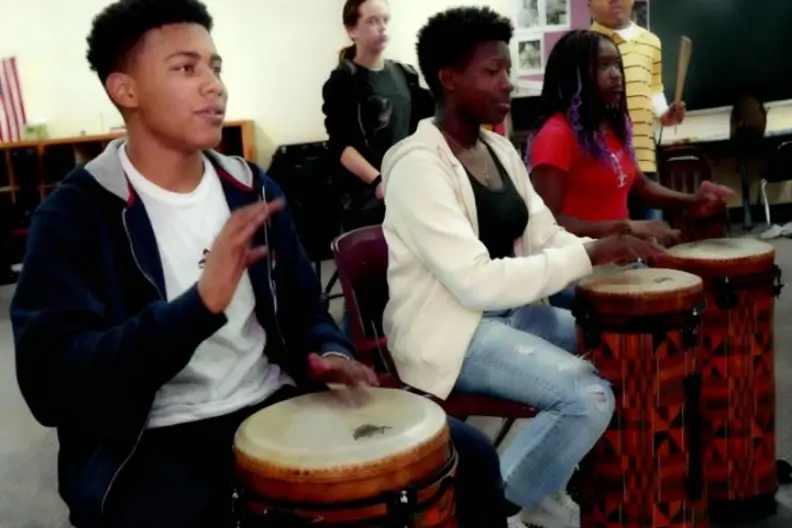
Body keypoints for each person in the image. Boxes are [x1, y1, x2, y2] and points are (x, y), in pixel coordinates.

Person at [9, 1, 509, 527]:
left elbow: (303, 309)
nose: (214, 86)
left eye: (215, 67)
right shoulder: (75, 215)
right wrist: (197, 309)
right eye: (186, 68)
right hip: (152, 436)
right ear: (125, 90)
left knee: (465, 458)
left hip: (271, 401)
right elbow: (52, 384)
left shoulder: (250, 189)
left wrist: (327, 351)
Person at [380, 7, 671, 528]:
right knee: (588, 395)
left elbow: (543, 235)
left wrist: (608, 246)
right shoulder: (416, 166)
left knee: (615, 342)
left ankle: (542, 482)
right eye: (492, 72)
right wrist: (586, 254)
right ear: (448, 79)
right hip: (449, 333)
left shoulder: (496, 148)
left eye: (507, 70)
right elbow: (475, 283)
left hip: (508, 314)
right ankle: (495, 511)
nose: (508, 83)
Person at [528, 30, 733, 309]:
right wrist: (624, 229)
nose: (616, 75)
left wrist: (694, 200)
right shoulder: (556, 134)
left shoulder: (609, 128)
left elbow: (642, 186)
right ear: (574, 75)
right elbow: (546, 226)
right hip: (578, 275)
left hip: (620, 265)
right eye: (603, 66)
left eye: (617, 65)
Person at [321, 0, 434, 231]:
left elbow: (428, 121)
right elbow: (340, 145)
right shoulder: (344, 80)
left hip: (408, 190)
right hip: (367, 200)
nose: (382, 27)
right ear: (352, 30)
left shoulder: (404, 74)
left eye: (385, 20)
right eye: (372, 21)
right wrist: (379, 181)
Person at [589, 0, 685, 221]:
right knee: (615, 243)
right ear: (589, 4)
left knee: (652, 239)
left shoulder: (651, 43)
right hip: (603, 163)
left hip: (644, 158)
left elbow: (654, 89)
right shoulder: (586, 45)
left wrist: (665, 114)